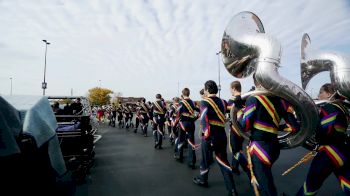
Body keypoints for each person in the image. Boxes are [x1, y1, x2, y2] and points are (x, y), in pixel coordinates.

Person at [237, 74, 300, 196]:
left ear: (257, 83)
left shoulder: (253, 99)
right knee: (266, 179)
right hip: (274, 148)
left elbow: (245, 126)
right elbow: (294, 127)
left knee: (266, 186)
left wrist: (240, 112)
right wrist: (277, 127)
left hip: (260, 148)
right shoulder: (281, 101)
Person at [296, 83, 350, 196]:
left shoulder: (329, 107)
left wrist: (313, 133)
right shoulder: (343, 108)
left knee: (310, 186)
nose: (318, 95)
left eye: (321, 92)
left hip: (328, 153)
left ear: (329, 94)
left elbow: (324, 130)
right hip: (344, 151)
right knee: (347, 184)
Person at [193, 80, 238, 196]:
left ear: (207, 90)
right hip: (221, 135)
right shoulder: (223, 101)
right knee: (224, 162)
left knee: (205, 159)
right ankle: (232, 189)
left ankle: (203, 179)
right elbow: (232, 109)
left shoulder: (205, 102)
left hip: (210, 136)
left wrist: (207, 135)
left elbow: (204, 118)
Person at [227, 81, 249, 177]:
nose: (230, 91)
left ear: (234, 88)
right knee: (238, 148)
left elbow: (228, 113)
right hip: (243, 130)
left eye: (230, 89)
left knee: (235, 151)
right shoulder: (246, 98)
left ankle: (249, 171)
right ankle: (234, 167)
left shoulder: (232, 100)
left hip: (235, 129)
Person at [173, 88, 199, 169]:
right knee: (191, 142)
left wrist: (175, 124)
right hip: (191, 123)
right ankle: (192, 161)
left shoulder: (181, 102)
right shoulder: (193, 102)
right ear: (189, 93)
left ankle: (179, 156)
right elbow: (198, 111)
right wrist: (194, 119)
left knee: (181, 140)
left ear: (183, 94)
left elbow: (178, 114)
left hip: (183, 123)